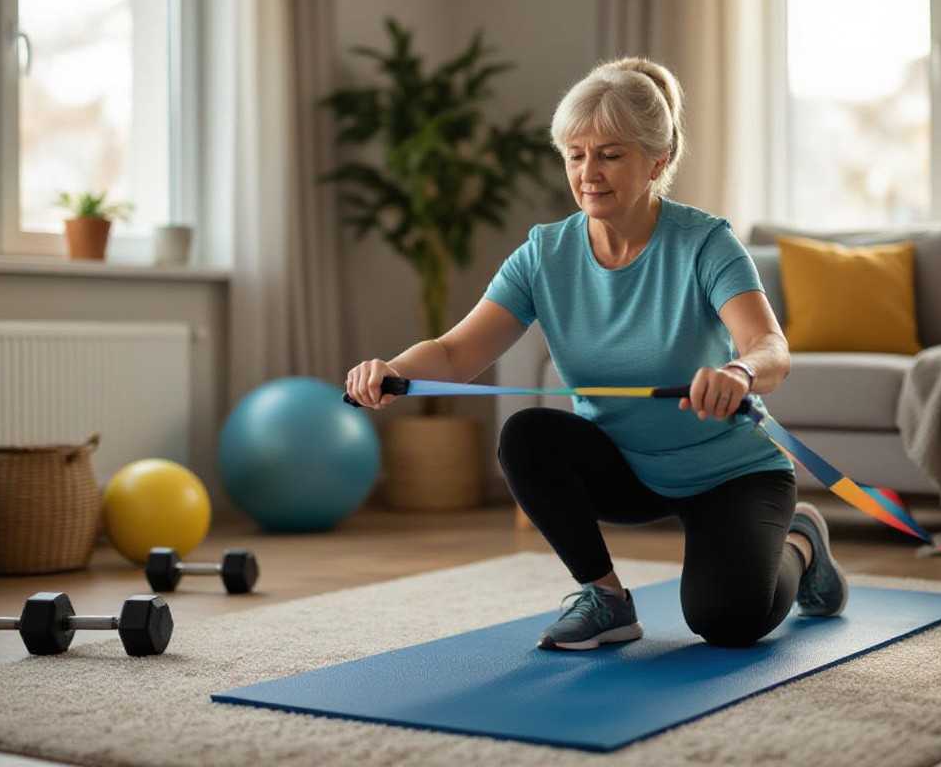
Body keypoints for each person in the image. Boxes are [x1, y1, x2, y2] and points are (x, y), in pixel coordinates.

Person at [345, 57, 848, 651]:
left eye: (610, 154)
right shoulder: (545, 254)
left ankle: (801, 542)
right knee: (526, 434)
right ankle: (606, 598)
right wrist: (393, 370)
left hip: (730, 474)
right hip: (626, 467)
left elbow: (770, 347)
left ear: (657, 162)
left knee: (728, 621)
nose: (589, 173)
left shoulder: (706, 242)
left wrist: (739, 371)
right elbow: (456, 354)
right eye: (576, 154)